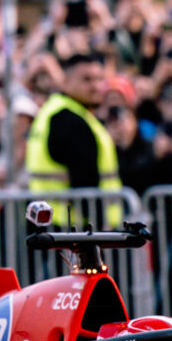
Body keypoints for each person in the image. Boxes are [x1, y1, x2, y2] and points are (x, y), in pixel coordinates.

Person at [27, 53, 122, 226]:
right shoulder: (69, 120)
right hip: (76, 230)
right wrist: (101, 229)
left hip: (55, 225)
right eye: (86, 80)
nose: (96, 86)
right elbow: (85, 185)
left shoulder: (54, 111)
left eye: (99, 79)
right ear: (66, 81)